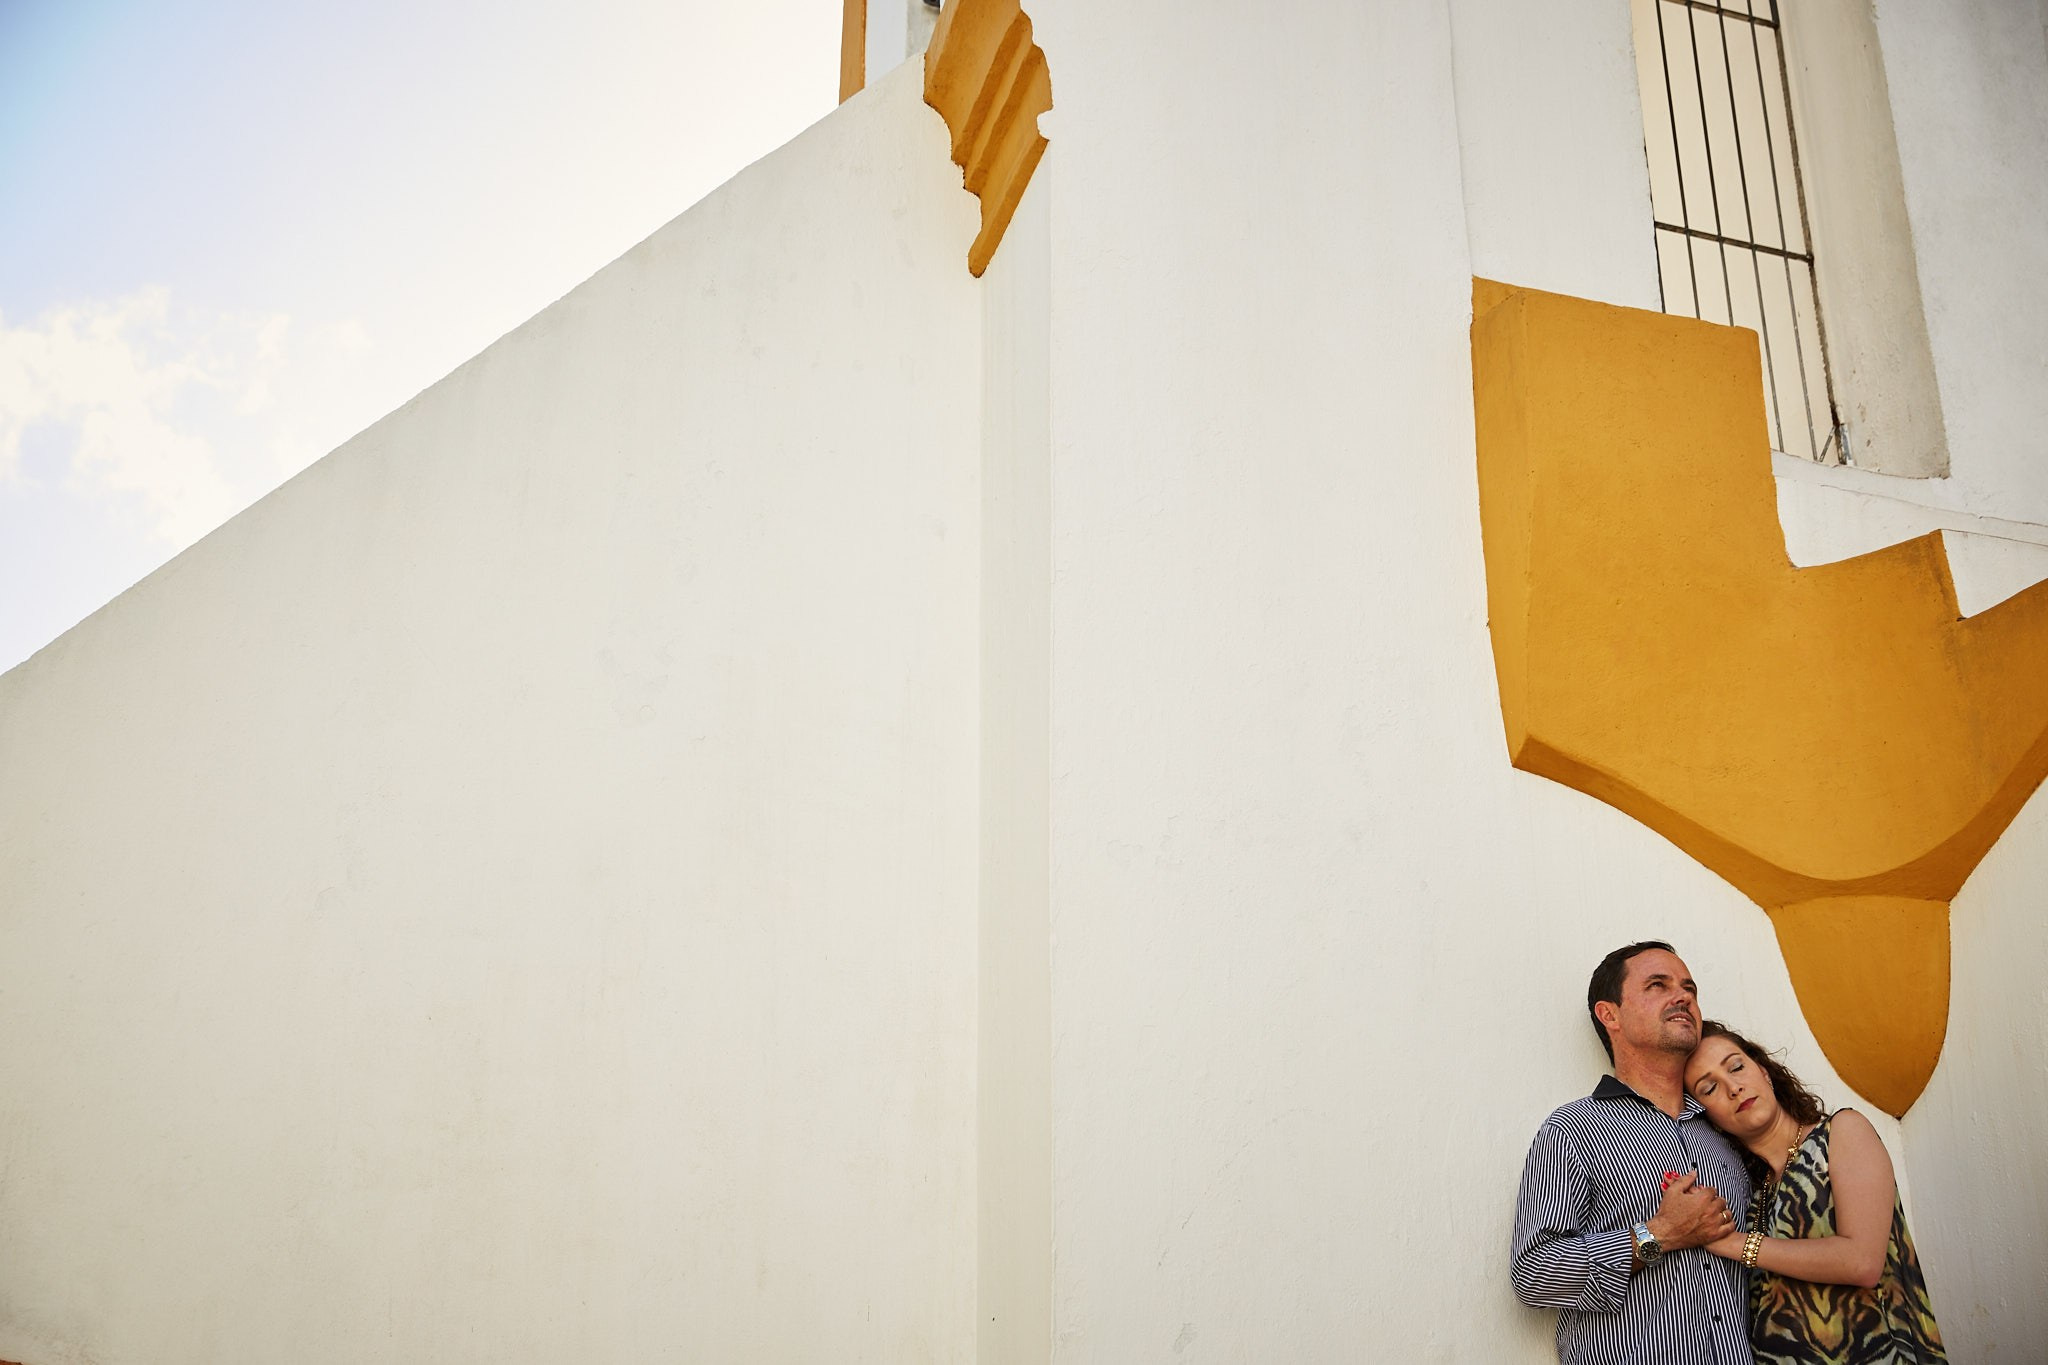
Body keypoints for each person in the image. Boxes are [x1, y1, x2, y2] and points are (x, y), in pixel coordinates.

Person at [1512, 941, 1756, 1365]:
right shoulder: (1574, 1129)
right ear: (1610, 1015)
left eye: (1689, 988)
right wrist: (1658, 1234)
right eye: (1657, 986)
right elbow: (1533, 1272)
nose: (1683, 997)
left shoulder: (1726, 1135)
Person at [1685, 1021, 1948, 1364]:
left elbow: (1862, 1262)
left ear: (1763, 1071)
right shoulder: (1751, 1196)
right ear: (1711, 1119)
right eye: (1710, 1089)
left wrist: (1735, 1244)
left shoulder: (1841, 1134)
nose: (1733, 1087)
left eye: (1736, 1067)